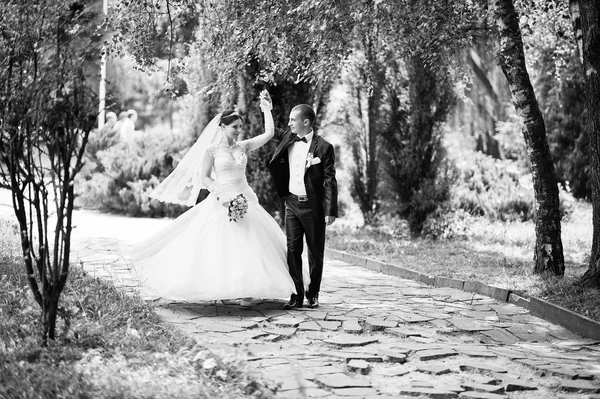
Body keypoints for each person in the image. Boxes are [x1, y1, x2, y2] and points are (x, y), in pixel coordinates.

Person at [133, 92, 299, 306]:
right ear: (222, 127)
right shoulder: (211, 150)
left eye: (240, 127)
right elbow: (204, 177)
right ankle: (223, 286)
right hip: (221, 198)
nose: (239, 131)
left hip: (246, 197)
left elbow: (268, 133)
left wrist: (267, 108)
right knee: (222, 243)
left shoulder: (244, 146)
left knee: (250, 241)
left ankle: (247, 289)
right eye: (235, 127)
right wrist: (221, 195)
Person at [268, 96, 338, 310]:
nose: (289, 124)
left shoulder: (324, 148)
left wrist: (330, 210)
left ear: (305, 122)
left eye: (292, 120)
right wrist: (266, 109)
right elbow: (271, 131)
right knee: (292, 250)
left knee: (316, 253)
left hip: (313, 207)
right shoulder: (289, 137)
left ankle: (313, 293)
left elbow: (329, 180)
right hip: (291, 204)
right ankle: (296, 294)